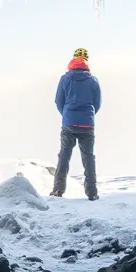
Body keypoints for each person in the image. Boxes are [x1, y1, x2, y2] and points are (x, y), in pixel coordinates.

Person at [52, 47, 101, 200]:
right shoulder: (93, 80)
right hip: (87, 123)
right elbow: (97, 103)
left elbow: (58, 101)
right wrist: (88, 115)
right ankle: (92, 193)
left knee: (64, 157)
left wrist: (67, 115)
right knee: (88, 158)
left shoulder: (65, 79)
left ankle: (58, 191)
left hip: (69, 123)